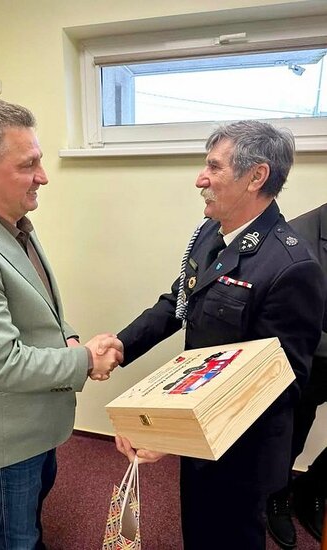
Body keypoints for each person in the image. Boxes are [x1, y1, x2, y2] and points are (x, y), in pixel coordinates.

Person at [114, 120, 325, 550]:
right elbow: (180, 299)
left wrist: (175, 431)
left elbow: (278, 386)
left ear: (256, 176)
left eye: (214, 167)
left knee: (229, 536)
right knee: (197, 527)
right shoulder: (213, 230)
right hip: (199, 430)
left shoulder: (291, 266)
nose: (200, 179)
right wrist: (121, 345)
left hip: (241, 450)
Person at [0, 99, 123, 550]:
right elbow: (1, 363)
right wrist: (84, 359)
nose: (43, 176)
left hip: (35, 417)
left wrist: (69, 337)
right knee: (16, 538)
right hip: (8, 433)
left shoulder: (12, 224)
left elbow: (38, 308)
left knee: (29, 518)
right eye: (28, 164)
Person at [266, 203, 327, 548]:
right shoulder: (299, 236)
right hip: (308, 360)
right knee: (292, 434)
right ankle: (277, 495)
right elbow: (290, 323)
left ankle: (313, 486)